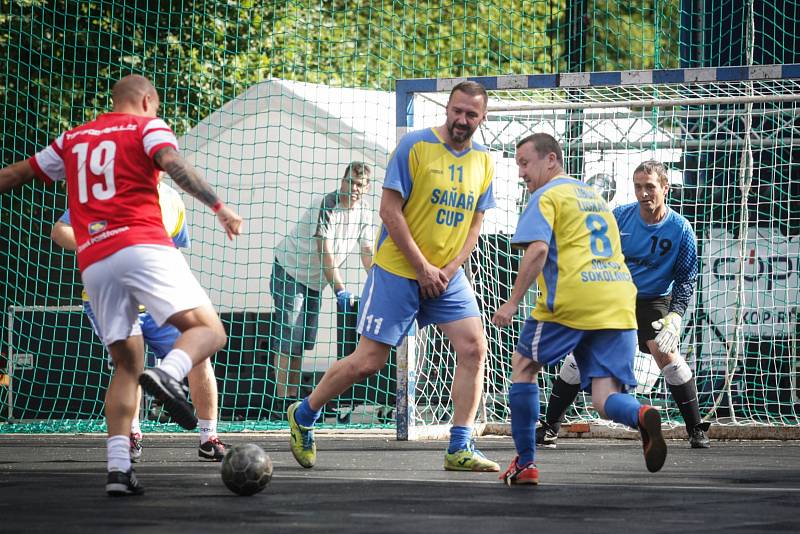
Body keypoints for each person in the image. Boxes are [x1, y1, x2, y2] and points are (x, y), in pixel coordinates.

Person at [0, 74, 242, 496]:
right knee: (208, 331)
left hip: (95, 261)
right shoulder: (148, 127)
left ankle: (117, 471)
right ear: (148, 99)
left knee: (126, 366)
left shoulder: (73, 138)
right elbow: (172, 163)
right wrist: (218, 206)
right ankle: (168, 374)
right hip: (143, 245)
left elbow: (19, 173)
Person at [286, 80, 500, 472]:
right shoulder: (415, 147)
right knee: (368, 361)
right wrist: (422, 268)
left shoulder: (484, 161)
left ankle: (460, 446)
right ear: (447, 110)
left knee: (473, 348)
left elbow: (475, 225)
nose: (462, 119)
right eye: (457, 111)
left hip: (446, 277)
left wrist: (447, 271)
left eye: (471, 114)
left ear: (482, 118)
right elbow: (389, 211)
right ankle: (304, 414)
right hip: (399, 271)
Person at [491, 133, 667, 486]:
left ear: (551, 159)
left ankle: (525, 464)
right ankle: (642, 413)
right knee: (606, 399)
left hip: (573, 298)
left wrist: (511, 302)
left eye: (525, 163)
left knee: (524, 367)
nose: (521, 173)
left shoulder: (546, 196)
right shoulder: (594, 198)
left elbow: (538, 251)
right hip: (618, 300)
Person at [51, 180, 229, 462]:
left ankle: (209, 438)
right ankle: (130, 436)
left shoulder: (171, 200)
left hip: (161, 300)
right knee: (130, 364)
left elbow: (174, 250)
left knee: (201, 355)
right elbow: (60, 230)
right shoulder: (102, 194)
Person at [537, 160, 711, 449]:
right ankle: (550, 427)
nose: (644, 193)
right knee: (579, 358)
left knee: (666, 354)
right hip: (614, 295)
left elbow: (686, 278)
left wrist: (676, 316)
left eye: (650, 187)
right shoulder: (619, 218)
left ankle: (696, 428)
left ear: (665, 188)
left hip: (654, 299)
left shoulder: (681, 230)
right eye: (638, 187)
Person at [270, 162, 374, 409]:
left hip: (316, 281)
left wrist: (380, 281)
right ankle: (281, 402)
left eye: (360, 185)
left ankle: (292, 398)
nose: (354, 188)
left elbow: (367, 250)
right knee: (290, 336)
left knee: (303, 340)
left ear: (367, 188)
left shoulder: (365, 211)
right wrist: (340, 288)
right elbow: (324, 250)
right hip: (291, 270)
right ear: (342, 180)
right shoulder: (327, 204)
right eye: (350, 182)